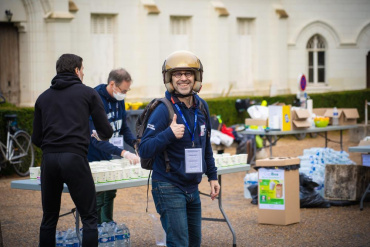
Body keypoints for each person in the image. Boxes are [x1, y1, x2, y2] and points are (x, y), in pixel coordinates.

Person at [139, 50, 220, 247]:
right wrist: (169, 134)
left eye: (188, 73)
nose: (183, 78)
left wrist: (213, 176)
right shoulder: (162, 109)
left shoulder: (202, 107)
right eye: (177, 74)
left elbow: (205, 145)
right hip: (168, 186)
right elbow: (144, 149)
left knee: (194, 242)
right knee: (179, 243)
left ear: (196, 78)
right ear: (169, 79)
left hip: (192, 187)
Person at [32, 53, 113, 247]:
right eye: (82, 69)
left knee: (49, 218)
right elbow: (106, 131)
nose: (83, 73)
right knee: (89, 218)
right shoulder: (88, 93)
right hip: (75, 158)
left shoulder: (43, 98)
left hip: (49, 160)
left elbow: (36, 138)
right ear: (76, 70)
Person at [87, 68, 140, 224]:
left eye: (127, 90)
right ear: (112, 84)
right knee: (97, 195)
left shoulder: (119, 99)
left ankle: (108, 223)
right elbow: (96, 140)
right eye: (123, 90)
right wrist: (124, 152)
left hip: (108, 155)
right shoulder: (94, 99)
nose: (124, 94)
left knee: (110, 191)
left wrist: (135, 144)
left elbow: (123, 127)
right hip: (92, 155)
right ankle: (94, 229)